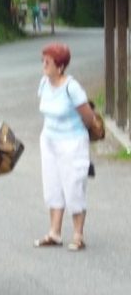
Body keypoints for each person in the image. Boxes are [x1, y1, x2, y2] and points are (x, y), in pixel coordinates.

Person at [33, 42, 96, 251]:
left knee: (73, 186)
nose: (44, 65)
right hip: (49, 139)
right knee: (52, 184)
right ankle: (54, 232)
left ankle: (78, 235)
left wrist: (83, 133)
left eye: (48, 62)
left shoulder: (72, 87)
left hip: (72, 142)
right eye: (43, 61)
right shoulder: (44, 83)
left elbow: (88, 117)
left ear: (60, 66)